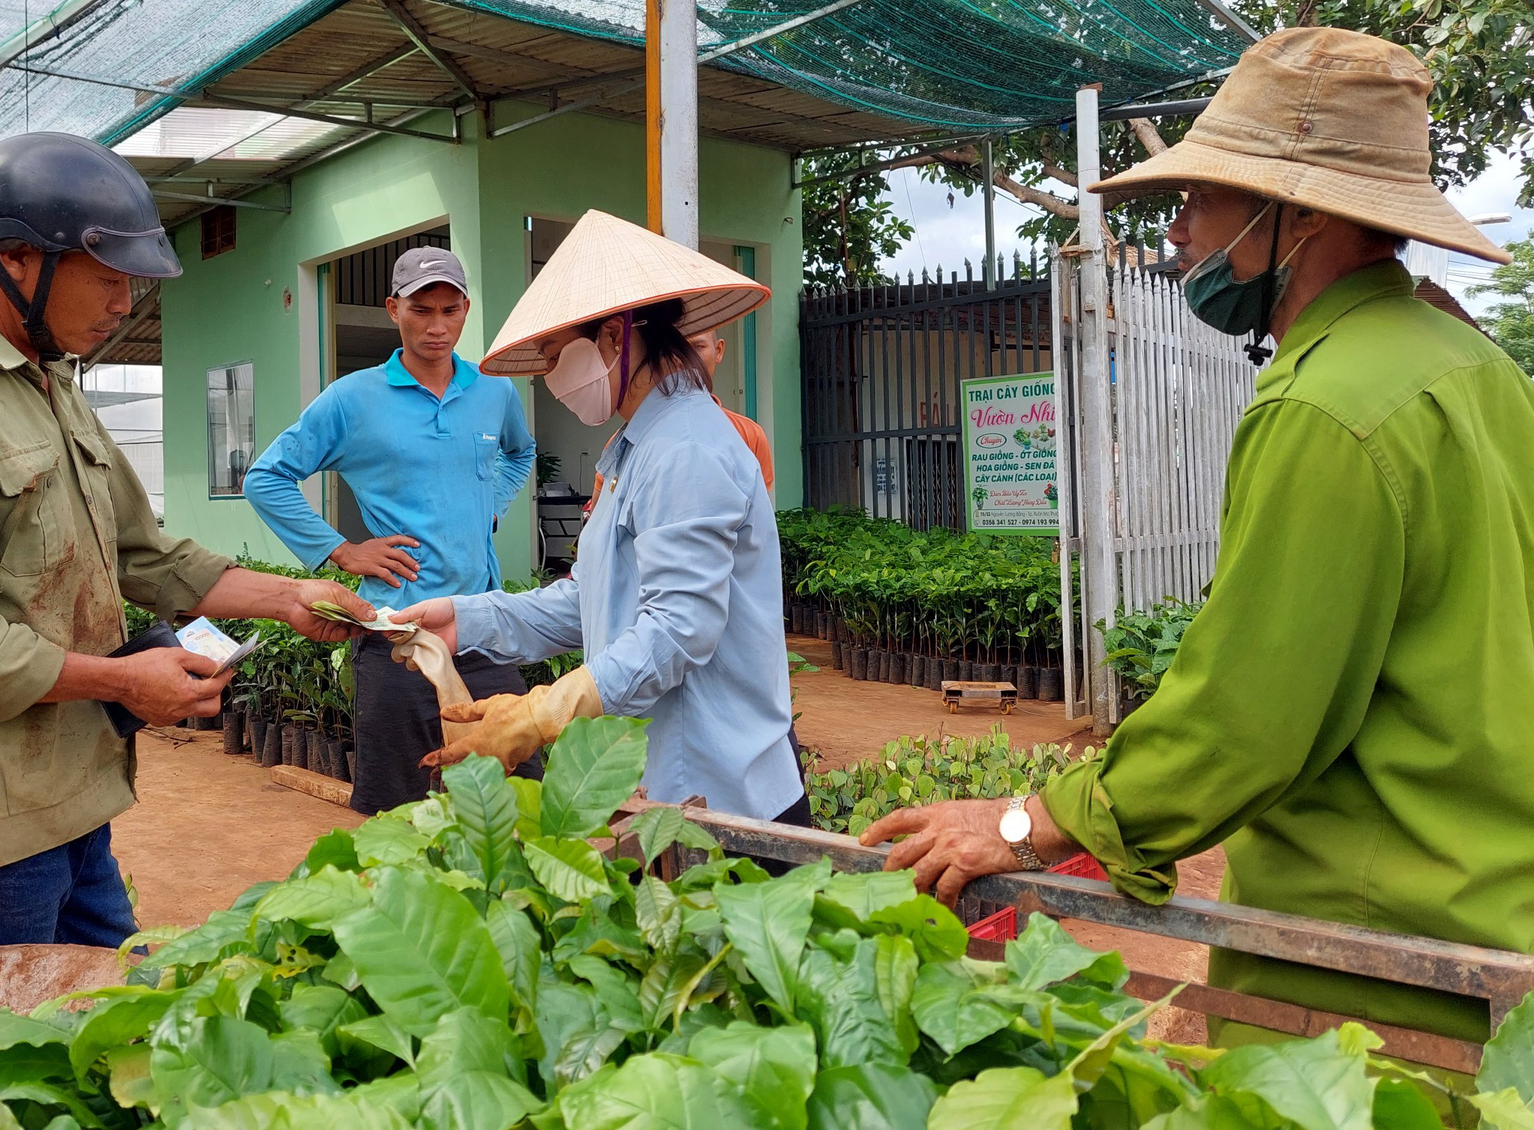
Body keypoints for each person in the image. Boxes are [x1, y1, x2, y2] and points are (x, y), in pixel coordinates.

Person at [858, 27, 1531, 1047]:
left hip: (1361, 986)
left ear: (1296, 212)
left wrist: (1020, 822)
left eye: (1203, 197)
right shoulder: (1482, 372)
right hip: (1486, 943)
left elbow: (1243, 721)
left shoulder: (1324, 405)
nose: (1176, 232)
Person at [0, 132, 373, 975]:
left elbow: (142, 554)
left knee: (98, 1020)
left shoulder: (50, 389)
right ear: (16, 258)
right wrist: (122, 681)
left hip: (63, 790)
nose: (127, 303)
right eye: (111, 278)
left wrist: (289, 598)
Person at [393, 210, 806, 827]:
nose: (555, 378)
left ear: (616, 336)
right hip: (662, 791)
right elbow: (589, 598)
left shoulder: (686, 448)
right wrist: (463, 619)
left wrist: (539, 715)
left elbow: (678, 629)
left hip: (719, 800)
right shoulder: (637, 448)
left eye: (560, 356)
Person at [245, 247, 540, 814]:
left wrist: (491, 507)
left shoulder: (494, 392)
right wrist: (340, 550)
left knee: (520, 796)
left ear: (465, 309)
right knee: (396, 811)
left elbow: (519, 453)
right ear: (392, 309)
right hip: (394, 637)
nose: (437, 326)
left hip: (482, 630)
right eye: (420, 309)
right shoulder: (353, 399)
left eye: (450, 310)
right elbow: (267, 477)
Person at [584, 328, 772, 516]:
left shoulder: (748, 435)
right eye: (675, 348)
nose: (684, 359)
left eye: (697, 347)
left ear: (719, 350)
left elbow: (757, 520)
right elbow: (600, 521)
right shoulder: (626, 442)